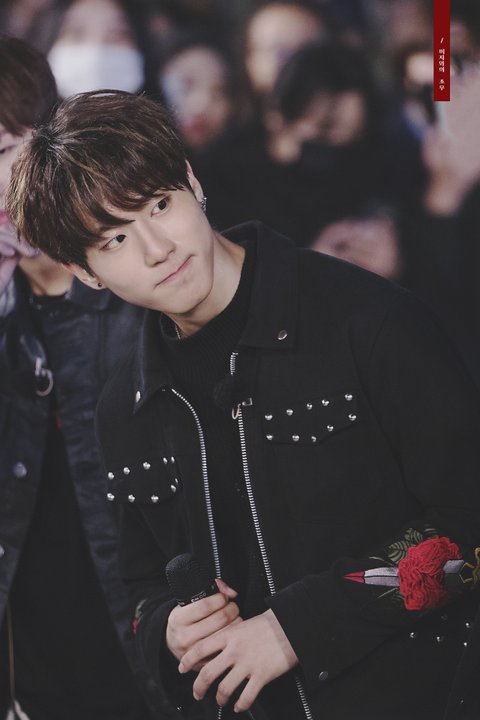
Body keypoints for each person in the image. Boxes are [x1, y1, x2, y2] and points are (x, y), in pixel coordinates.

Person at [6, 89, 480, 720]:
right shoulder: (124, 406)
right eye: (114, 240)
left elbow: (469, 523)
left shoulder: (368, 321)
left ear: (193, 182)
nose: (156, 248)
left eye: (159, 204)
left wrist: (297, 627)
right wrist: (168, 630)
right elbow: (141, 588)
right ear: (84, 271)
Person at [0, 37, 171, 720]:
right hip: (40, 643)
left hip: (159, 623)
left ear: (49, 137)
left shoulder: (141, 268)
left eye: (0, 150)